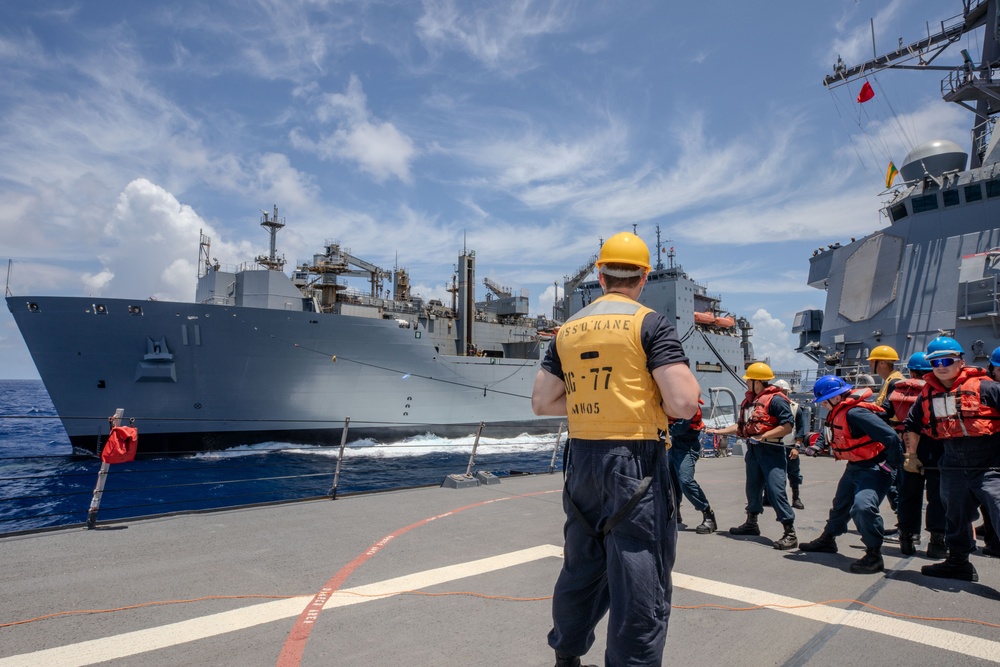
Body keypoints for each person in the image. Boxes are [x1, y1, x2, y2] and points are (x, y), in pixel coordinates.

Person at [531, 231, 701, 667]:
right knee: (640, 574)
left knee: (581, 567)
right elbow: (683, 403)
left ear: (601, 276)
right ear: (644, 277)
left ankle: (566, 655)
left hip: (581, 462)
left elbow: (543, 402)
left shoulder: (567, 331)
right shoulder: (650, 323)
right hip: (636, 463)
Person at [903, 337, 1000, 582]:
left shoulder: (986, 388)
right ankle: (959, 562)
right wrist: (911, 456)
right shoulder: (927, 394)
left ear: (961, 361)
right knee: (954, 515)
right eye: (935, 362)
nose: (941, 366)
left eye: (947, 360)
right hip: (952, 463)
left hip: (990, 464)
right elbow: (912, 424)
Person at [798, 376, 902, 573]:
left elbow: (891, 437)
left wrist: (891, 465)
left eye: (824, 401)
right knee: (841, 505)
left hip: (874, 468)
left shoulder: (856, 414)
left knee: (863, 507)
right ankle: (828, 540)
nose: (823, 405)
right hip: (855, 466)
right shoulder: (837, 412)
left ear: (835, 398)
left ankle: (874, 555)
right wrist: (817, 446)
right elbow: (828, 432)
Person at [705, 362, 797, 550]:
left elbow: (787, 426)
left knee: (775, 490)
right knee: (752, 489)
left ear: (757, 382)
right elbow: (741, 428)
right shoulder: (750, 402)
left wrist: (762, 436)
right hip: (754, 451)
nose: (747, 384)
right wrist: (718, 431)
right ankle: (751, 524)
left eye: (749, 381)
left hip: (772, 451)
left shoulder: (776, 400)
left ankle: (790, 533)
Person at [890, 352, 947, 558]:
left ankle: (907, 537)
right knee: (938, 497)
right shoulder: (939, 392)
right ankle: (937, 542)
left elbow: (891, 417)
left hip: (909, 447)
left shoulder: (901, 390)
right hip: (937, 447)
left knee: (908, 494)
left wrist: (909, 454)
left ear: (912, 371)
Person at [668, 400, 717, 534]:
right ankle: (674, 513)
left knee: (685, 480)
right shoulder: (671, 401)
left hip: (687, 446)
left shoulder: (688, 404)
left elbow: (680, 428)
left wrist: (661, 428)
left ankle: (708, 514)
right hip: (674, 445)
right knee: (671, 481)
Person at [774, 379, 806, 509]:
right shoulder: (769, 406)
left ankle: (795, 498)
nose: (781, 393)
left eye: (783, 391)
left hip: (790, 445)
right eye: (778, 391)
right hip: (773, 445)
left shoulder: (795, 407)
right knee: (771, 473)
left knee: (794, 473)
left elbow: (800, 428)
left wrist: (797, 447)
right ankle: (768, 497)